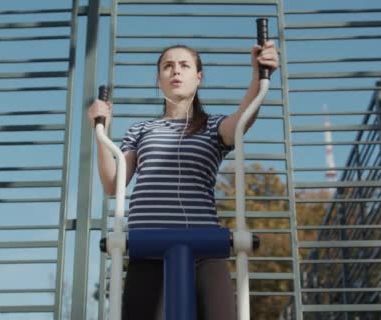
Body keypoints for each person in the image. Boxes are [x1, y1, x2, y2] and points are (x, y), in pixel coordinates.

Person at [88, 41, 279, 320]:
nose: (175, 71)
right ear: (159, 79)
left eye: (184, 65)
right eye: (167, 66)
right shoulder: (141, 130)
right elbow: (112, 183)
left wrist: (258, 75)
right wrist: (99, 129)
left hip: (204, 248)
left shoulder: (213, 126)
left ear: (198, 77)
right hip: (147, 247)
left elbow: (241, 121)